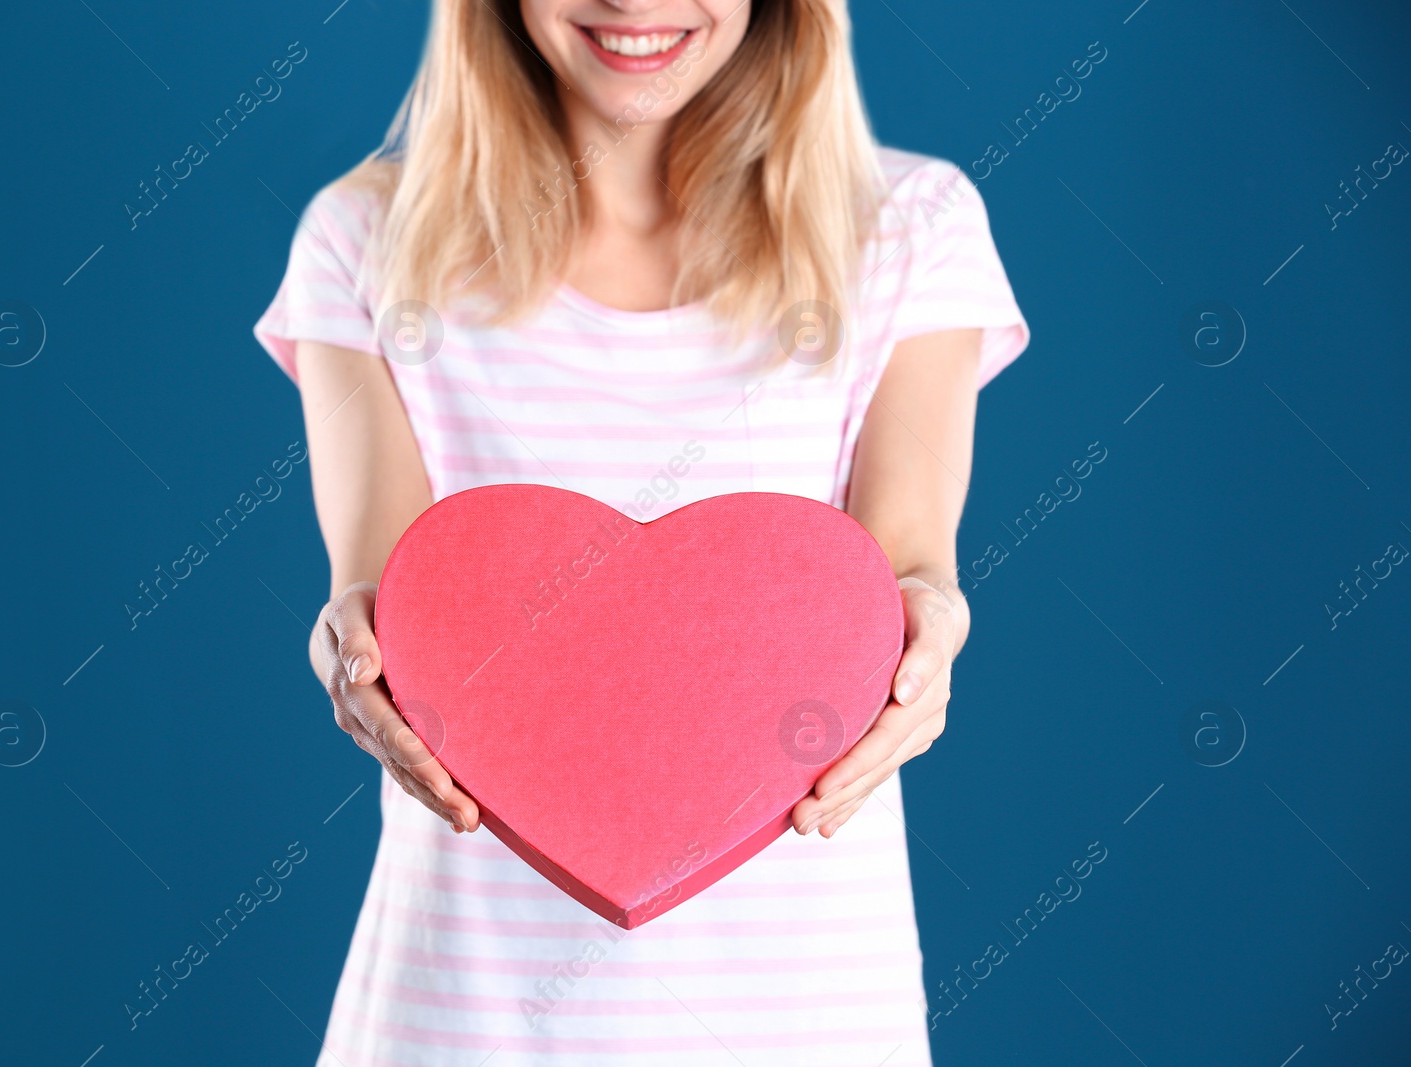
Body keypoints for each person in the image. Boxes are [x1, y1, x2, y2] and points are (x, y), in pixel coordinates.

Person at [254, 1, 1027, 1062]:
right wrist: (353, 651)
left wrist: (928, 623)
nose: (634, 4)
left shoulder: (908, 226)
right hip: (460, 1015)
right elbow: (389, 598)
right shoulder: (365, 239)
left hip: (805, 1012)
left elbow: (899, 566)